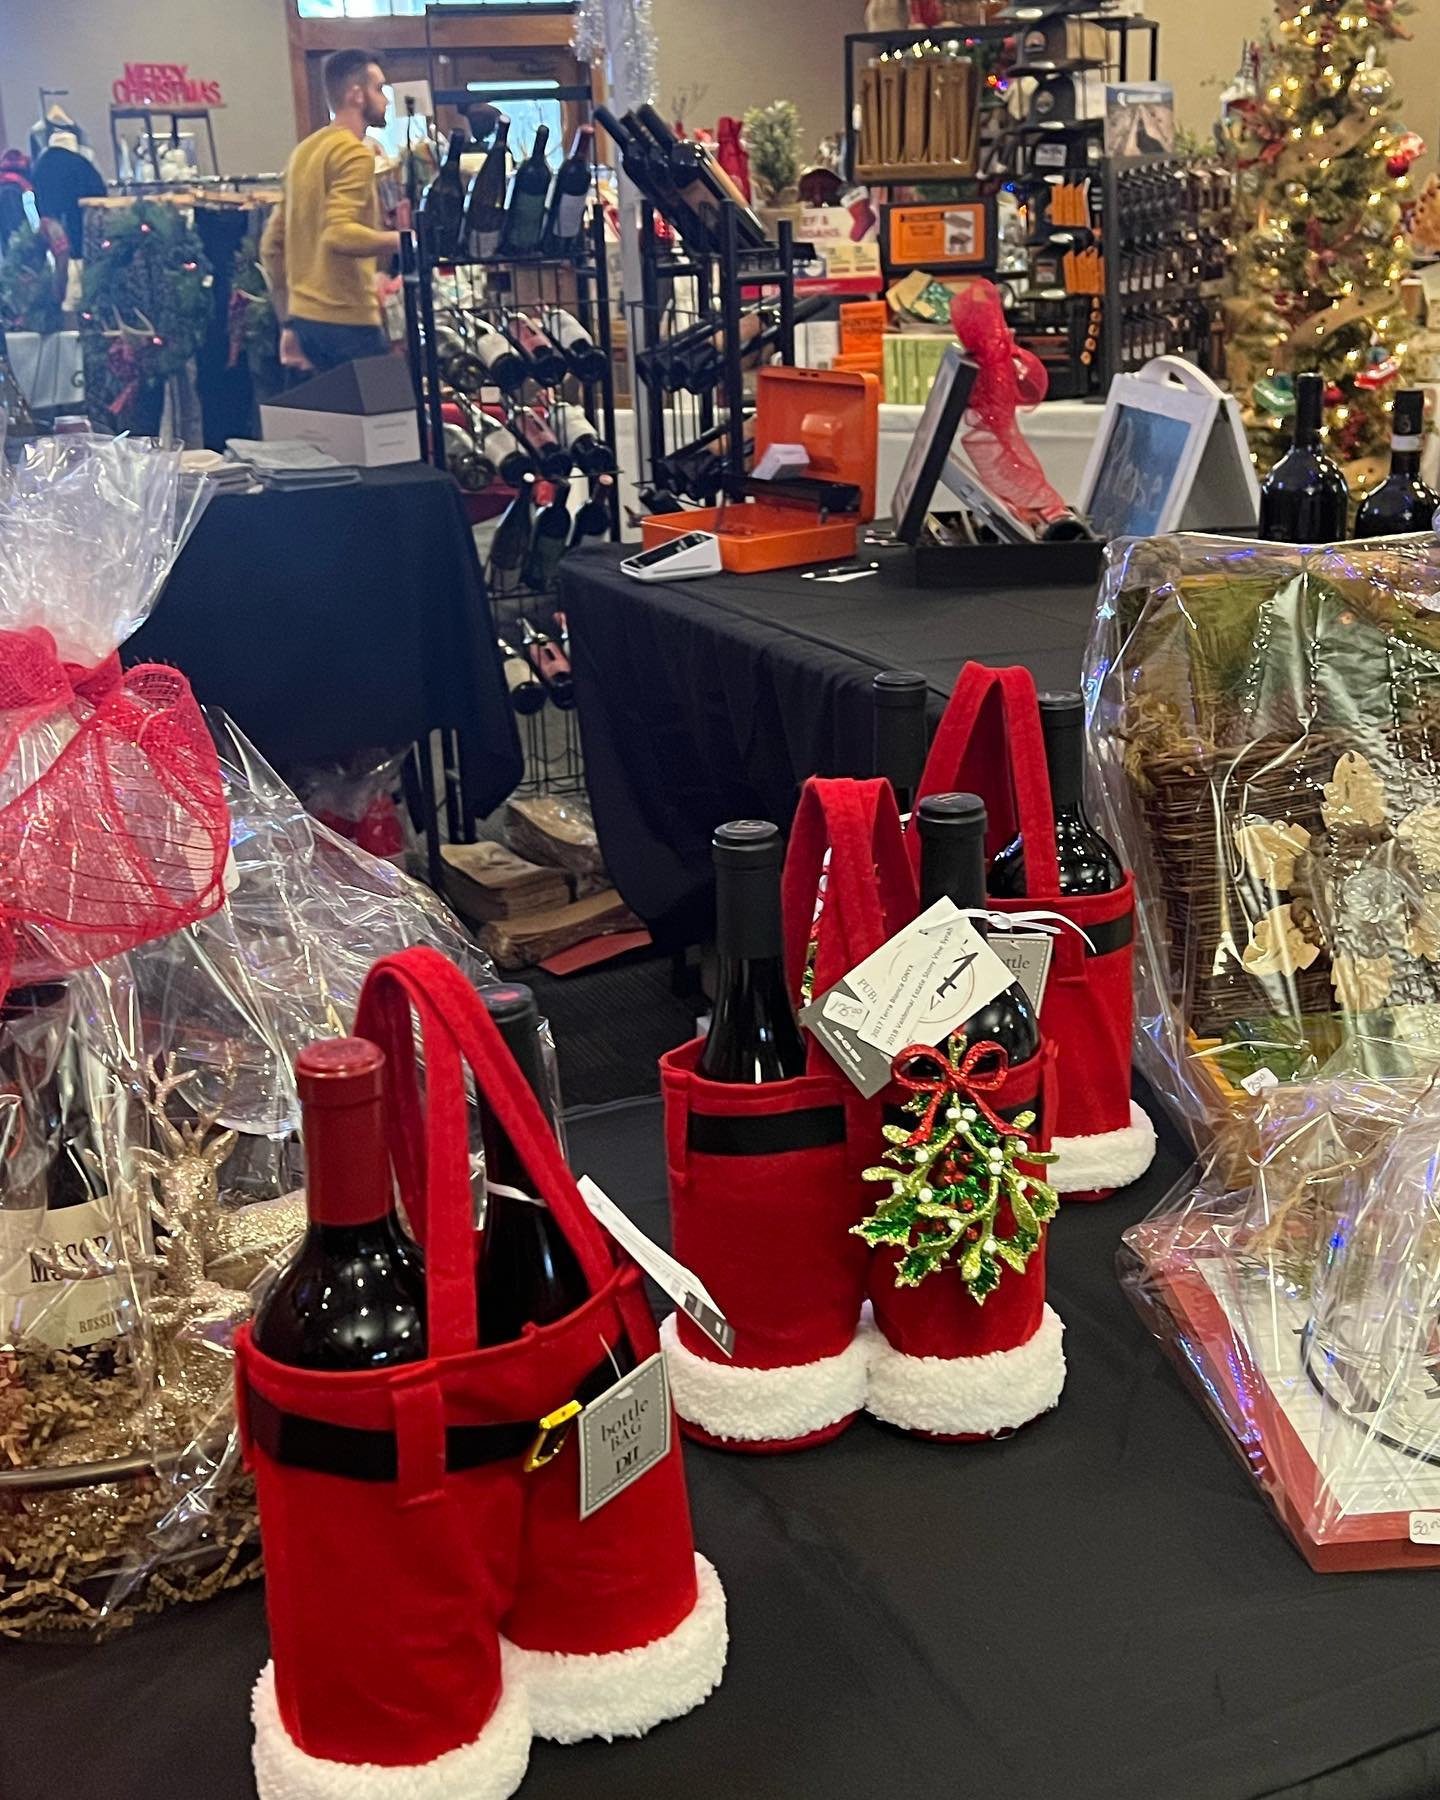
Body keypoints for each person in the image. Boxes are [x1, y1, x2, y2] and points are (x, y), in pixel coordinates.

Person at [261, 49, 401, 376]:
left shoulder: (304, 153)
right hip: (350, 323)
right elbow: (338, 234)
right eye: (379, 89)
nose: (386, 101)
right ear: (356, 95)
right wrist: (403, 239)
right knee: (387, 409)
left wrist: (289, 323)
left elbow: (271, 246)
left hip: (306, 323)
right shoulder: (355, 153)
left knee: (332, 412)